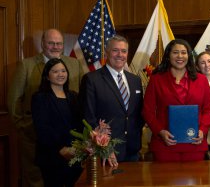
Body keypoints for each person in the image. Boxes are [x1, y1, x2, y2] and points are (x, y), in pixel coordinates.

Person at [7, 28, 84, 187]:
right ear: (42, 43)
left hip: (70, 142)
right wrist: (23, 127)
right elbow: (13, 100)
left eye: (59, 43)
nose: (55, 47)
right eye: (51, 43)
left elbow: (82, 98)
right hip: (34, 137)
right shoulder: (26, 65)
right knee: (36, 180)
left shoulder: (74, 64)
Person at [142, 39, 210, 162]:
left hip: (194, 145)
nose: (180, 56)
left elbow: (209, 109)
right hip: (165, 146)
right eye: (175, 52)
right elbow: (147, 111)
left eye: (183, 52)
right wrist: (160, 131)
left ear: (189, 56)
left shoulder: (201, 80)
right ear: (168, 55)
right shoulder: (156, 79)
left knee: (196, 181)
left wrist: (202, 130)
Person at [80, 35, 144, 165]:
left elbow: (138, 113)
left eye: (124, 51)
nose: (120, 54)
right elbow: (88, 117)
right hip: (106, 153)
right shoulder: (92, 79)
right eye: (115, 50)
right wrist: (104, 147)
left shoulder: (135, 80)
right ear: (106, 52)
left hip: (132, 151)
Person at [31, 58, 82, 187]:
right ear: (47, 76)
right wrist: (60, 148)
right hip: (52, 155)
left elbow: (80, 123)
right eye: (55, 71)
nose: (61, 74)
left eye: (63, 71)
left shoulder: (74, 96)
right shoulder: (40, 98)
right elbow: (42, 128)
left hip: (75, 154)